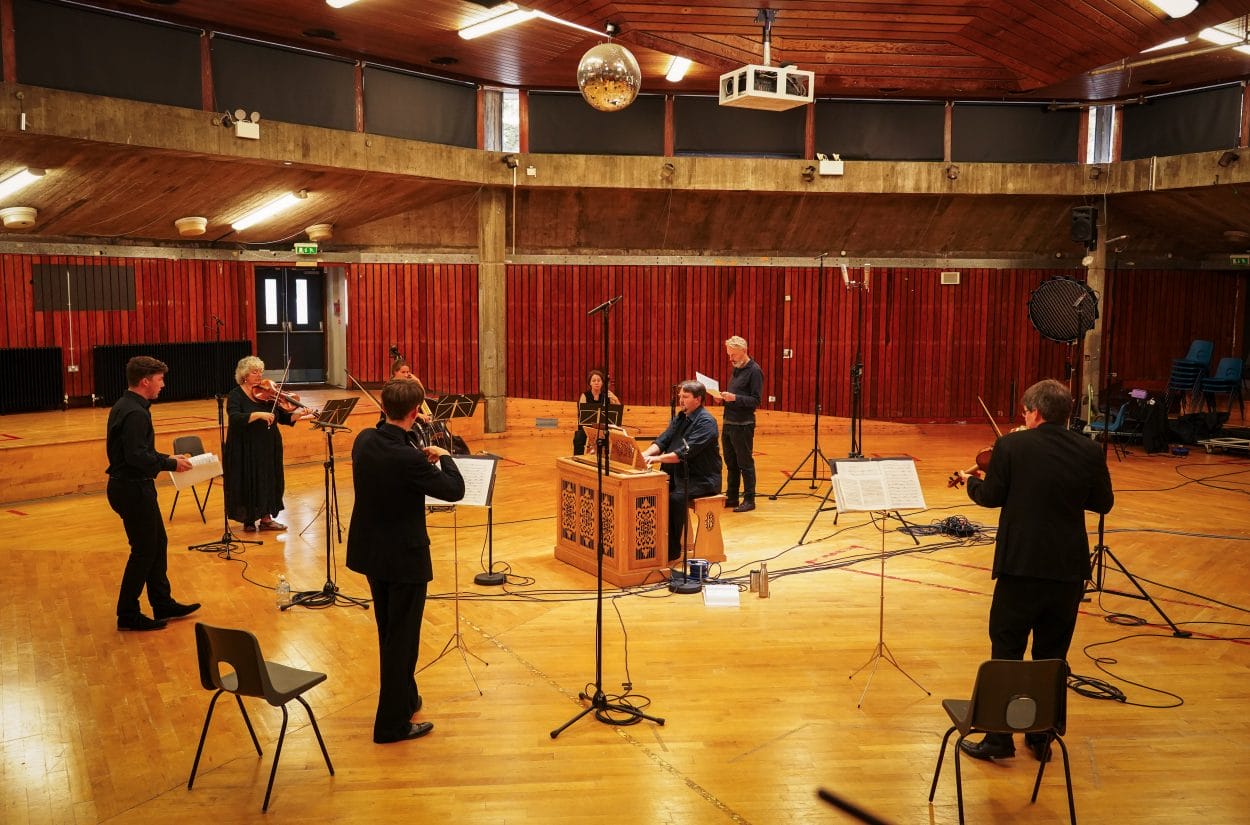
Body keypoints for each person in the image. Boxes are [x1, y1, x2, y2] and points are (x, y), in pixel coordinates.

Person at [955, 378, 1113, 762]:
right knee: (1052, 654)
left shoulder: (1012, 445)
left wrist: (970, 485)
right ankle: (1042, 737)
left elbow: (991, 497)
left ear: (1036, 412)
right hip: (1067, 570)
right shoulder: (1089, 449)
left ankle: (999, 739)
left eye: (1026, 411)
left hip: (1021, 567)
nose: (1023, 417)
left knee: (1007, 649)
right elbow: (1103, 502)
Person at [347, 378, 466, 744]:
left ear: (383, 408)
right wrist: (444, 459)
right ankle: (391, 726)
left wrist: (417, 454)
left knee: (390, 632)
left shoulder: (363, 441)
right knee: (403, 641)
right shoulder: (409, 458)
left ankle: (406, 698)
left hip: (372, 554)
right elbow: (454, 490)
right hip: (404, 559)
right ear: (415, 413)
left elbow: (391, 455)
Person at [106, 356, 199, 631]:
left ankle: (162, 602)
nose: (163, 384)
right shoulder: (135, 412)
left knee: (157, 544)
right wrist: (169, 463)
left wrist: (165, 456)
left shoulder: (129, 405)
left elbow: (137, 452)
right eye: (159, 379)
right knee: (144, 551)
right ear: (145, 381)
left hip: (133, 486)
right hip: (132, 488)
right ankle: (128, 614)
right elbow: (135, 457)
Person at [224, 356, 311, 532]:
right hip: (245, 446)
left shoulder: (268, 393)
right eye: (254, 372)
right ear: (244, 375)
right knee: (247, 480)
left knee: (269, 479)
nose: (259, 375)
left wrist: (299, 415)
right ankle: (248, 519)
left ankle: (266, 519)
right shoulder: (235, 395)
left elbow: (284, 417)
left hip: (268, 444)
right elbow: (234, 418)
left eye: (260, 371)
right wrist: (258, 415)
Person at [642, 380, 723, 561]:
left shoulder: (707, 422)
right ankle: (654, 543)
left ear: (698, 399)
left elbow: (684, 453)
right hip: (679, 475)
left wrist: (656, 459)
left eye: (685, 397)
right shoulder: (681, 418)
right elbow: (663, 440)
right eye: (680, 396)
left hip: (702, 479)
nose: (681, 400)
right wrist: (644, 454)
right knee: (652, 492)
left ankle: (671, 550)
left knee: (674, 498)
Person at [718, 335, 764, 512]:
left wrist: (734, 398)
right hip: (729, 421)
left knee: (745, 463)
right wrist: (723, 399)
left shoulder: (754, 371)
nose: (730, 359)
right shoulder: (736, 368)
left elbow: (755, 400)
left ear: (744, 351)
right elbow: (734, 395)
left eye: (733, 355)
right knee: (731, 463)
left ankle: (750, 499)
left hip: (743, 424)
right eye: (729, 355)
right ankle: (732, 497)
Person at [572, 368, 620, 456]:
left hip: (602, 428)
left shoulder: (607, 396)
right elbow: (582, 414)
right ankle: (577, 459)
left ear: (602, 383)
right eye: (594, 380)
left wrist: (615, 399)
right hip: (587, 428)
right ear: (590, 383)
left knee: (613, 436)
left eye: (599, 380)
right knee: (578, 437)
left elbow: (618, 412)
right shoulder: (585, 396)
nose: (596, 382)